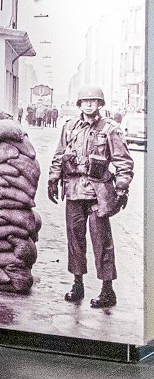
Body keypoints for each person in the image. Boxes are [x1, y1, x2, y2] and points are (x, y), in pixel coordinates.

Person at [47, 85, 133, 310]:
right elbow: (59, 156)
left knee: (102, 242)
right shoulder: (69, 127)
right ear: (79, 104)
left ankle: (107, 290)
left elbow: (123, 162)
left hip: (98, 194)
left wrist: (122, 188)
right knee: (75, 241)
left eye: (93, 101)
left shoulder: (110, 129)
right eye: (84, 101)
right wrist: (53, 179)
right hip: (74, 192)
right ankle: (78, 284)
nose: (88, 104)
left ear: (100, 104)